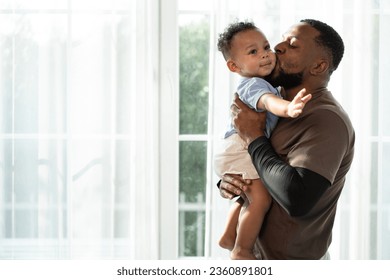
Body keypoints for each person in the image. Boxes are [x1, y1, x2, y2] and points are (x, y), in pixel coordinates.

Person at [218, 19, 355, 260]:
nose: (278, 47)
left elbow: (296, 197)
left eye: (292, 45)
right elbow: (262, 167)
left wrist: (254, 136)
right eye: (281, 40)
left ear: (319, 65)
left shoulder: (325, 119)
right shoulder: (273, 103)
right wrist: (233, 182)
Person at [213, 21, 311, 260]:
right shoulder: (254, 85)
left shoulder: (266, 83)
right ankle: (241, 250)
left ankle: (228, 235)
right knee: (260, 197)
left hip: (238, 147)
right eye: (253, 52)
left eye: (265, 47)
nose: (267, 54)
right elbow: (267, 102)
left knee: (251, 192)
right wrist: (289, 108)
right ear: (234, 66)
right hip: (240, 147)